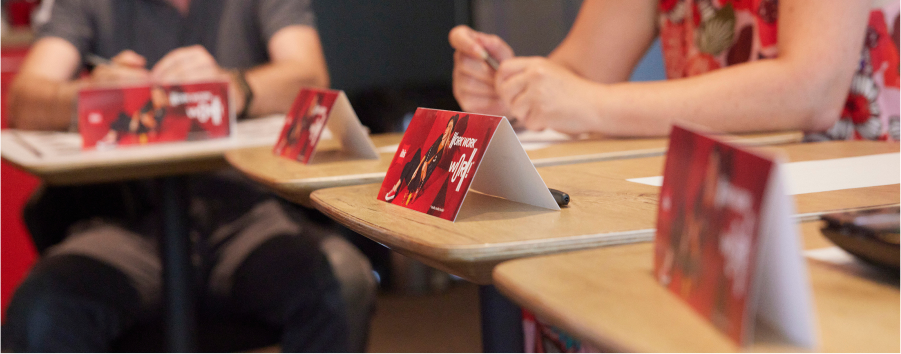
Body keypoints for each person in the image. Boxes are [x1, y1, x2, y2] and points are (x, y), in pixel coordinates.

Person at [5, 0, 369, 352]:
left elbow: (310, 77)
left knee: (340, 283)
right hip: (127, 225)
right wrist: (90, 96)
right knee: (43, 311)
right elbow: (23, 100)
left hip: (246, 216)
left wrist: (232, 88)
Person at [450, 0, 901, 141]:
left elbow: (810, 90)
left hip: (852, 208)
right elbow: (579, 71)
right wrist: (513, 87)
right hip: (713, 191)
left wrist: (588, 104)